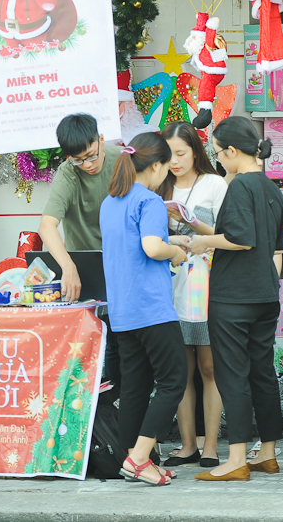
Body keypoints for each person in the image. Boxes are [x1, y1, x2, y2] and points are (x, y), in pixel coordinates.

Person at [189, 117, 283, 481]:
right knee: (262, 372)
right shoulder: (270, 188)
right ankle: (267, 452)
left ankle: (235, 459)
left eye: (218, 154)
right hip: (265, 293)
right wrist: (205, 231)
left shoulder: (239, 187)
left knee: (233, 373)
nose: (218, 161)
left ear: (232, 151)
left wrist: (202, 242)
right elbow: (270, 243)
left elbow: (241, 238)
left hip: (234, 296)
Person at [99, 133, 190, 487]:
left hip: (122, 311)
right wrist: (177, 252)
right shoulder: (150, 201)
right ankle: (140, 458)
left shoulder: (110, 201)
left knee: (136, 386)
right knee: (173, 380)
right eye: (165, 168)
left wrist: (169, 242)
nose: (165, 175)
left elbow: (133, 246)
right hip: (151, 308)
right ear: (155, 166)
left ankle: (132, 460)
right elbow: (152, 247)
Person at [157, 122, 228, 470]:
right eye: (168, 155)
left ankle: (211, 444)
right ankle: (187, 445)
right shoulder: (159, 186)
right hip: (170, 284)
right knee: (179, 369)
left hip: (208, 282)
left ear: (196, 151)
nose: (175, 161)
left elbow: (230, 234)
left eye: (181, 154)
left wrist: (192, 225)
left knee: (209, 366)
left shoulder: (214, 184)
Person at [38, 113, 123, 384]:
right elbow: (47, 226)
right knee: (100, 348)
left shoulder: (123, 160)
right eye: (77, 159)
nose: (86, 164)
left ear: (101, 140)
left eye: (91, 155)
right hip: (88, 274)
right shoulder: (68, 173)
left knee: (128, 347)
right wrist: (68, 266)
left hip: (124, 265)